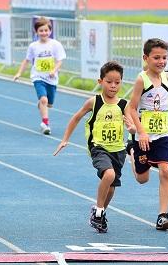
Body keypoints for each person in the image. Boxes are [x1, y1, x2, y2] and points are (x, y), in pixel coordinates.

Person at [53, 61, 135, 233]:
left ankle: (99, 214)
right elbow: (76, 118)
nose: (113, 86)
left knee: (111, 188)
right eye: (109, 82)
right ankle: (98, 211)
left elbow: (132, 125)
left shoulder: (123, 105)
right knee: (109, 174)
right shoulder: (94, 102)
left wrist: (132, 129)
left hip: (118, 150)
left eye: (117, 82)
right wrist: (65, 139)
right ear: (100, 81)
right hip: (98, 147)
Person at [128, 38, 168, 231]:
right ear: (145, 58)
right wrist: (140, 131)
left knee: (165, 170)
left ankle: (162, 216)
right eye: (156, 58)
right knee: (142, 179)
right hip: (144, 136)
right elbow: (132, 107)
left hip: (164, 134)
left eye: (164, 57)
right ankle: (131, 152)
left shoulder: (167, 77)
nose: (161, 61)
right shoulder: (142, 79)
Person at [13, 17, 66, 135]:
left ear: (50, 31)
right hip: (38, 77)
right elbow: (26, 61)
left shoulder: (55, 45)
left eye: (46, 30)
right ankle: (45, 124)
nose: (44, 33)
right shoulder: (33, 46)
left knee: (49, 104)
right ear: (36, 32)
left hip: (51, 79)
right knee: (44, 99)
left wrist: (54, 70)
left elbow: (60, 60)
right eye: (41, 31)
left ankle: (41, 104)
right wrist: (19, 73)